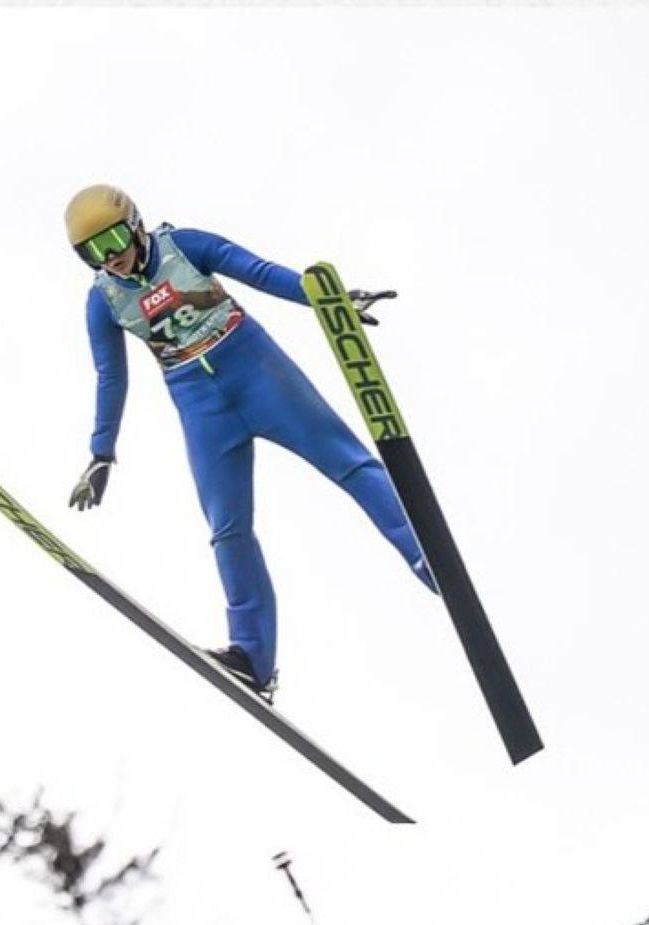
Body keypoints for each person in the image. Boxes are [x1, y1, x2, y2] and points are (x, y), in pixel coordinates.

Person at [64, 184, 436, 698]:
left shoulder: (184, 247)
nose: (114, 259)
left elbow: (258, 271)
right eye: (95, 254)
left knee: (347, 463)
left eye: (114, 242)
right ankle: (252, 658)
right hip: (198, 403)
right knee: (227, 528)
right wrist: (101, 453)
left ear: (135, 223)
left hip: (256, 370)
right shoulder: (103, 301)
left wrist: (329, 301)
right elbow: (111, 376)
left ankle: (425, 556)